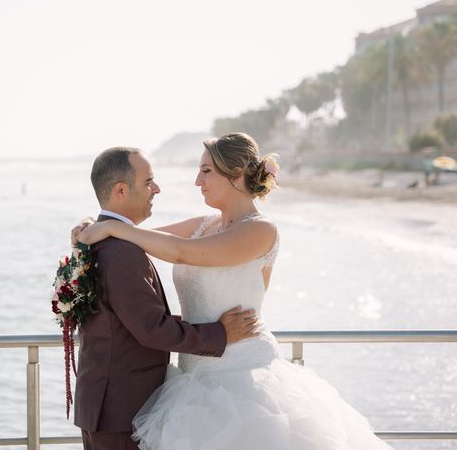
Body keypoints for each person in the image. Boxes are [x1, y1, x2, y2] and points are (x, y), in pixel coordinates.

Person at [76, 133, 393, 450]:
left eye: (206, 171)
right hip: (190, 378)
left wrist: (113, 227)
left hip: (242, 375)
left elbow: (182, 252)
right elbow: (133, 241)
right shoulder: (203, 224)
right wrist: (94, 230)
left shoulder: (260, 230)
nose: (197, 181)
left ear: (237, 172)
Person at [73, 146, 260, 450]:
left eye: (206, 171)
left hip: (107, 403)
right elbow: (152, 329)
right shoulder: (120, 250)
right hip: (122, 408)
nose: (157, 189)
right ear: (121, 191)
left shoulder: (107, 242)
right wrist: (221, 333)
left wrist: (102, 225)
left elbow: (167, 246)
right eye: (148, 182)